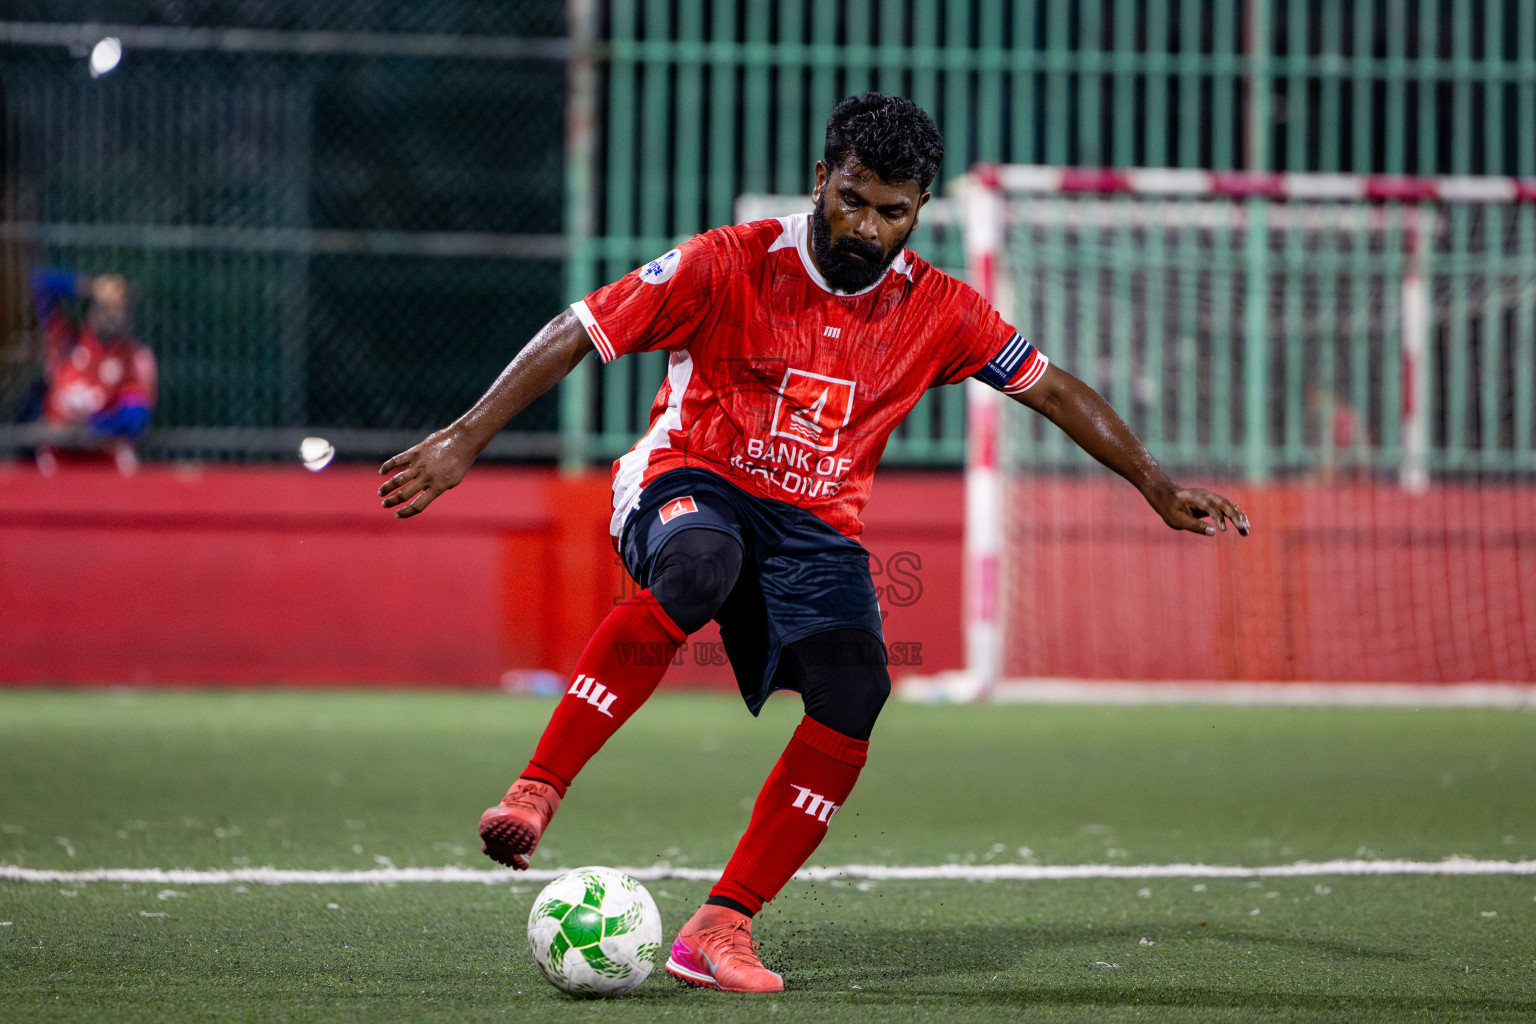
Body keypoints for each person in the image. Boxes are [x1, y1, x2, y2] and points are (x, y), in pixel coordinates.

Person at [379, 93, 1250, 993]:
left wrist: (1157, 486)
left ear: (921, 208)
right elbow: (581, 328)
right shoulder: (728, 261)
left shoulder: (941, 311)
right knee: (701, 565)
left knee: (856, 690)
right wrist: (462, 440)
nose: (867, 227)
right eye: (852, 199)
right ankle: (536, 788)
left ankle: (720, 927)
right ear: (821, 179)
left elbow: (1054, 389)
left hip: (815, 532)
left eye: (892, 211)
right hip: (691, 476)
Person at [27, 268, 157, 475]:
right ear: (91, 307)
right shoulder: (65, 341)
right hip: (58, 458)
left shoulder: (134, 356)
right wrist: (89, 287)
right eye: (106, 306)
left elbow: (135, 418)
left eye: (120, 308)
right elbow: (40, 282)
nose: (113, 314)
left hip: (105, 460)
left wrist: (86, 428)